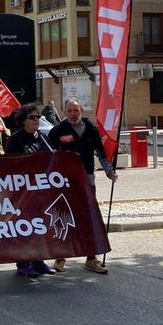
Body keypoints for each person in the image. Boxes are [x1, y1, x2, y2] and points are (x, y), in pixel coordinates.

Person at [48, 98, 118, 274]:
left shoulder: (92, 129)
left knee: (89, 219)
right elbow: (47, 157)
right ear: (64, 112)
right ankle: (60, 257)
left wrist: (110, 172)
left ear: (82, 111)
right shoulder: (57, 131)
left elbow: (102, 154)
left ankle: (91, 258)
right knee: (63, 218)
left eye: (76, 110)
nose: (73, 114)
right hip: (65, 182)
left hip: (88, 180)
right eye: (70, 111)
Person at [5, 103, 56, 278]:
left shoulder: (43, 138)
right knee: (24, 228)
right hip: (22, 192)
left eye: (38, 117)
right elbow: (10, 166)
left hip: (40, 191)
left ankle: (38, 261)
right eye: (32, 117)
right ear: (23, 121)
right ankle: (23, 262)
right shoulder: (15, 140)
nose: (36, 120)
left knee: (40, 227)